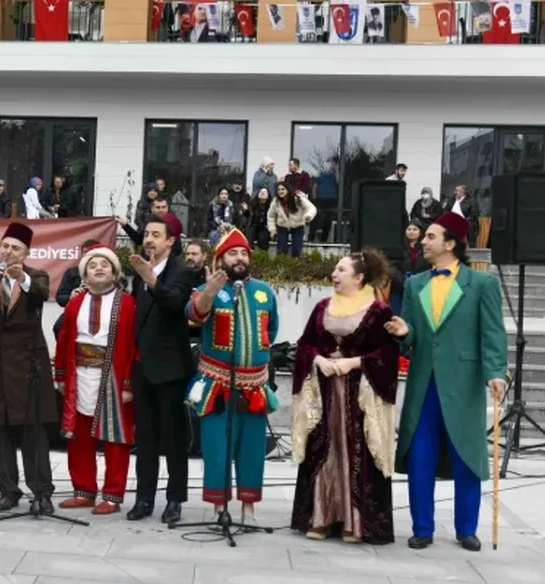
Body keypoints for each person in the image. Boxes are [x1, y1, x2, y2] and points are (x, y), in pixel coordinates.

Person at [384, 212, 507, 552]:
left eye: (431, 236)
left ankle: (466, 528)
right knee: (420, 455)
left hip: (463, 383)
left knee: (466, 454)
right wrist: (403, 332)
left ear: (450, 243)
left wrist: (496, 371)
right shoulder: (414, 284)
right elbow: (410, 336)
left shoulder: (482, 284)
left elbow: (493, 333)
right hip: (424, 382)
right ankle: (422, 527)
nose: (423, 241)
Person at [290, 250, 398, 544]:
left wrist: (355, 363)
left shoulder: (378, 311)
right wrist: (317, 359)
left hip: (357, 395)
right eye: (335, 270)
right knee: (323, 449)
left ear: (359, 277)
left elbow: (388, 353)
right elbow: (304, 344)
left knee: (356, 451)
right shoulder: (323, 306)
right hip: (325, 393)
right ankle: (321, 516)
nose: (334, 275)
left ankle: (355, 520)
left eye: (340, 270)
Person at [186, 228, 280, 524]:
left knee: (252, 449)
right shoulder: (209, 289)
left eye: (243, 253)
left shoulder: (264, 291)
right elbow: (194, 314)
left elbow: (272, 330)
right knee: (217, 448)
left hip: (255, 385)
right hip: (217, 384)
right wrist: (210, 291)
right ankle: (219, 508)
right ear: (220, 259)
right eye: (232, 254)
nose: (239, 259)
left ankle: (249, 510)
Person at [0, 222, 57, 513]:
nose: (8, 252)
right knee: (0, 431)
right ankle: (8, 490)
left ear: (26, 252)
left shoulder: (37, 276)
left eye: (15, 248)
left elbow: (41, 296)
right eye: (5, 246)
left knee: (33, 431)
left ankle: (42, 492)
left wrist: (23, 280)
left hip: (28, 365)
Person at [54, 245, 136, 515]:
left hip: (112, 377)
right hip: (79, 376)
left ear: (114, 273)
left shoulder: (127, 303)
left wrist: (128, 383)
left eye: (105, 264)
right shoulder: (75, 302)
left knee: (115, 439)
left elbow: (134, 345)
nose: (99, 268)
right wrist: (61, 375)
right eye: (93, 265)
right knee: (78, 436)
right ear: (85, 275)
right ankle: (84, 491)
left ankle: (112, 495)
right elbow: (65, 338)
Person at [126, 214, 195, 524]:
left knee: (174, 438)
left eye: (156, 234)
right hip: (143, 367)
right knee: (147, 437)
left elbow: (174, 305)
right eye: (146, 234)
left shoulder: (183, 271)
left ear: (171, 240)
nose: (149, 239)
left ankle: (175, 499)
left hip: (170, 368)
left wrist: (152, 280)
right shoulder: (140, 270)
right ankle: (144, 498)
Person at [269, 181, 316, 257]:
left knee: (297, 249)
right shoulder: (275, 201)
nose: (280, 191)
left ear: (288, 190)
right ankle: (281, 266)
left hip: (297, 226)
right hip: (282, 226)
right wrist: (272, 230)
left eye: (283, 189)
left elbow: (312, 208)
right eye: (278, 189)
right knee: (281, 249)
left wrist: (308, 216)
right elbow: (271, 216)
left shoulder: (298, 198)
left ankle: (295, 266)